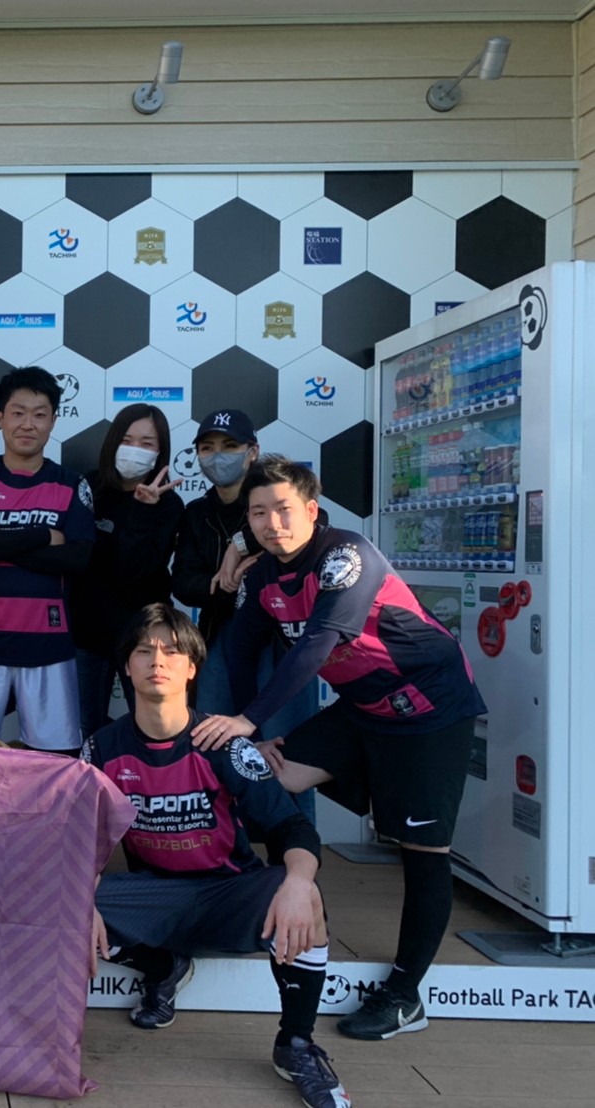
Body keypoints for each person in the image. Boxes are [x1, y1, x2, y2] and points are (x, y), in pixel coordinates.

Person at [192, 456, 487, 1042]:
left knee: (423, 851)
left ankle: (404, 995)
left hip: (428, 707)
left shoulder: (346, 555)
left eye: (283, 510)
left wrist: (248, 719)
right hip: (362, 709)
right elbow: (243, 651)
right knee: (261, 773)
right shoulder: (260, 577)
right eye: (258, 513)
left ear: (311, 510)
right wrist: (251, 730)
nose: (272, 523)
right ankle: (265, 905)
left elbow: (319, 643)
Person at [87, 604, 349, 1108]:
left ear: (192, 668)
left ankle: (296, 1044)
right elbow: (81, 840)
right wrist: (82, 893)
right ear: (126, 667)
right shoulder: (101, 749)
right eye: (143, 651)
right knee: (62, 899)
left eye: (171, 651)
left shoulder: (224, 744)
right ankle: (162, 967)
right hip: (156, 899)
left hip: (229, 893)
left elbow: (290, 825)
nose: (157, 661)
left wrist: (298, 882)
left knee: (305, 891)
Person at [172, 410, 318, 822]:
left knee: (288, 750)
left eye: (230, 446)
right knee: (217, 745)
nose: (218, 456)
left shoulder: (273, 492)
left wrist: (236, 545)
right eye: (208, 448)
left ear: (252, 451)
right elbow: (183, 582)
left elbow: (312, 526)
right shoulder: (196, 513)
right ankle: (223, 844)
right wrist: (224, 583)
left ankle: (297, 847)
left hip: (281, 638)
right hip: (221, 637)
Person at [0, 366, 94, 756]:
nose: (28, 424)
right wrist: (44, 535)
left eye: (39, 414)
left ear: (53, 421)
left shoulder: (72, 485)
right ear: (0, 417)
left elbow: (77, 558)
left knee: (53, 761)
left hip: (49, 647)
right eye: (18, 413)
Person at [70, 402, 184, 736]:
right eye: (127, 440)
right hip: (86, 634)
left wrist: (143, 510)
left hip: (144, 635)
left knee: (154, 728)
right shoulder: (89, 487)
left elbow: (134, 570)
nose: (135, 449)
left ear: (160, 452)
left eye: (147, 443)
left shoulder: (169, 504)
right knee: (83, 728)